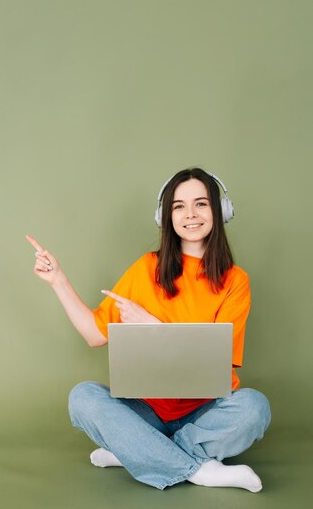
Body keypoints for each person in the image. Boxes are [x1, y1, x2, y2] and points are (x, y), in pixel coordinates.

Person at [26, 167, 271, 492]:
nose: (191, 214)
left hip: (205, 411)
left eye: (201, 204)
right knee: (82, 397)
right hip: (147, 410)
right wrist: (58, 280)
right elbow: (94, 334)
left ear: (219, 210)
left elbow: (216, 362)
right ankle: (200, 469)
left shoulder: (235, 281)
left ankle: (135, 450)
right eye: (179, 206)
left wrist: (155, 328)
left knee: (255, 408)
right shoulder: (145, 268)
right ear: (166, 216)